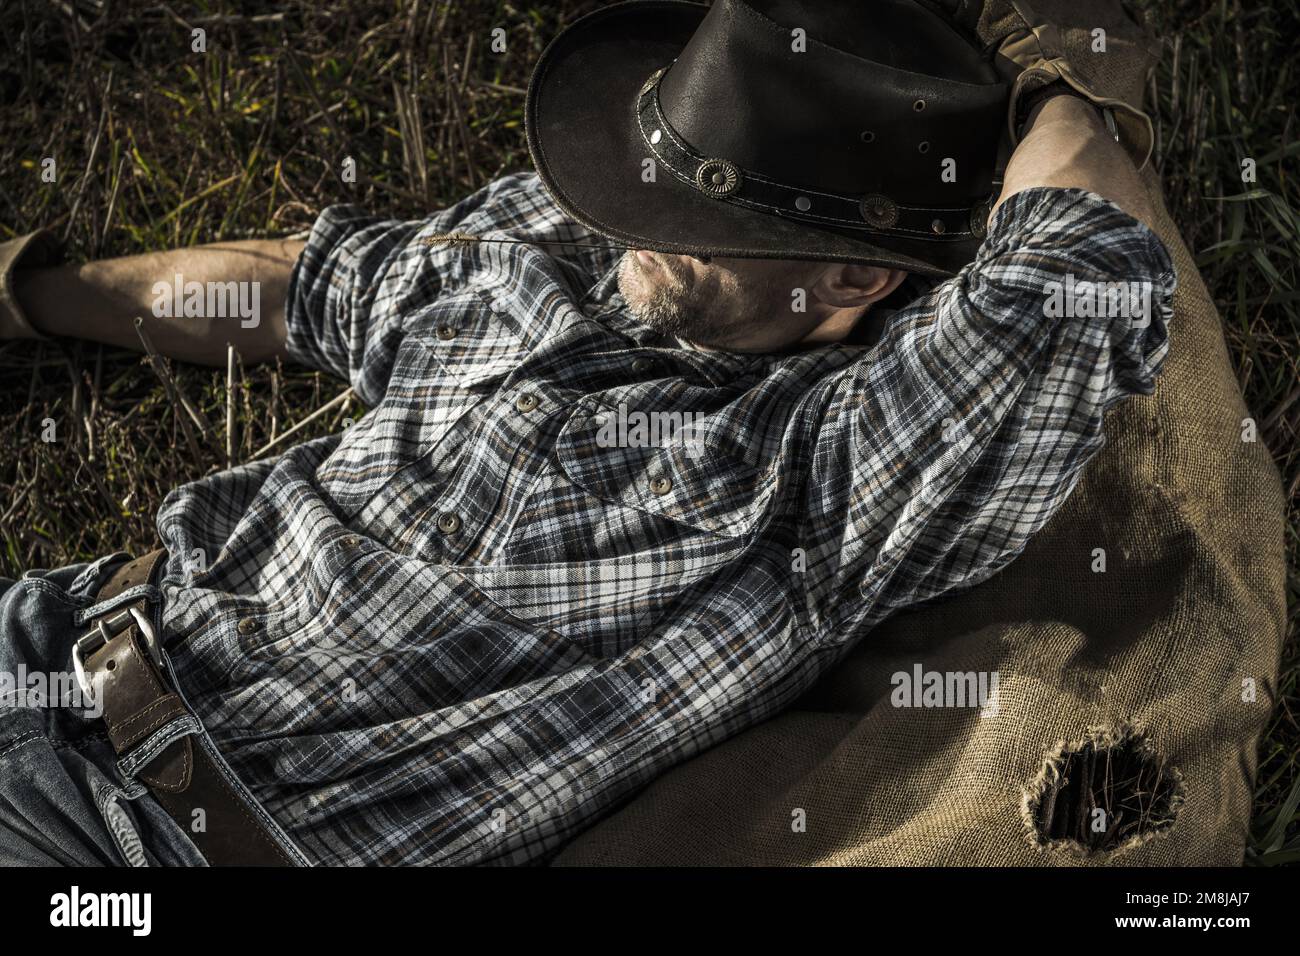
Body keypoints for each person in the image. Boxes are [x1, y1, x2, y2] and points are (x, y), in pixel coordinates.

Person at [0, 0, 1172, 865]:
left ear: (855, 270)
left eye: (699, 215)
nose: (633, 213)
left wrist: (1065, 87)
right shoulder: (560, 244)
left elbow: (1074, 272)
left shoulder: (829, 469)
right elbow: (306, 289)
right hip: (54, 635)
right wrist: (33, 293)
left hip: (152, 845)